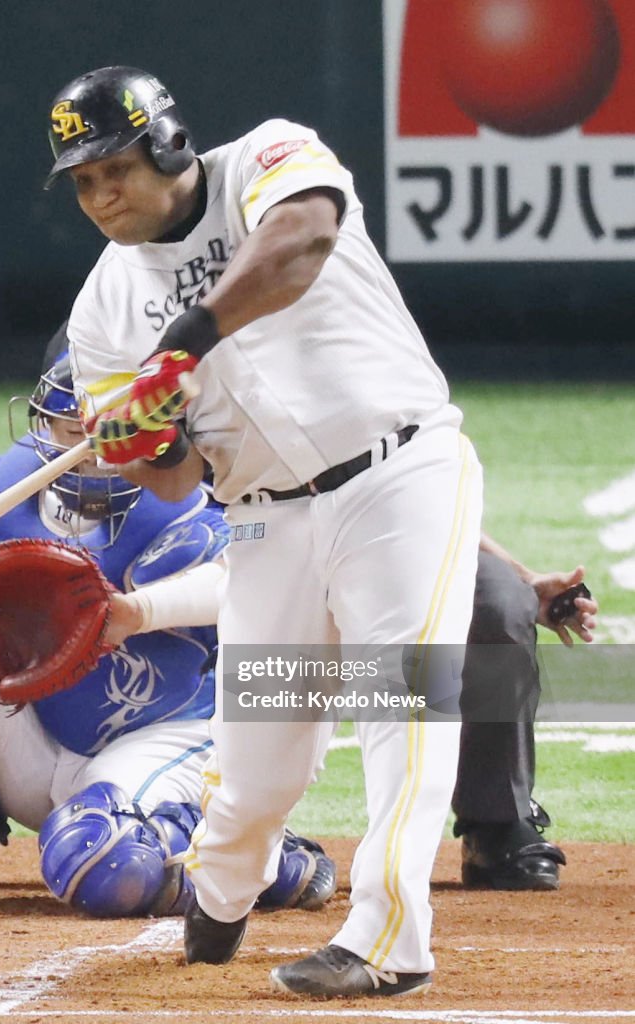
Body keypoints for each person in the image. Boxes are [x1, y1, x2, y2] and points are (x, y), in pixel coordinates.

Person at [46, 66, 484, 997]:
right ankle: (222, 885)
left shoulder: (264, 160)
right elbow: (169, 480)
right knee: (255, 763)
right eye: (81, 181)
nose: (100, 195)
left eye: (112, 167)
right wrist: (144, 437)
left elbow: (303, 240)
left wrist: (181, 346)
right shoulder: (103, 307)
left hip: (397, 475)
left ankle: (387, 937)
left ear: (166, 144)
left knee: (401, 709)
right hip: (262, 522)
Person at [0, 357, 336, 919]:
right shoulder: (2, 489)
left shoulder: (208, 490)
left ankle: (255, 861)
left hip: (165, 733)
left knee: (103, 868)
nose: (89, 450)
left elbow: (236, 584)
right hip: (38, 729)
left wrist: (134, 611)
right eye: (71, 431)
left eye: (111, 434)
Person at [455, 536, 597, 890]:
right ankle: (289, 821)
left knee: (502, 600)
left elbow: (443, 502)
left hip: (401, 529)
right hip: (298, 534)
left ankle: (495, 821)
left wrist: (525, 577)